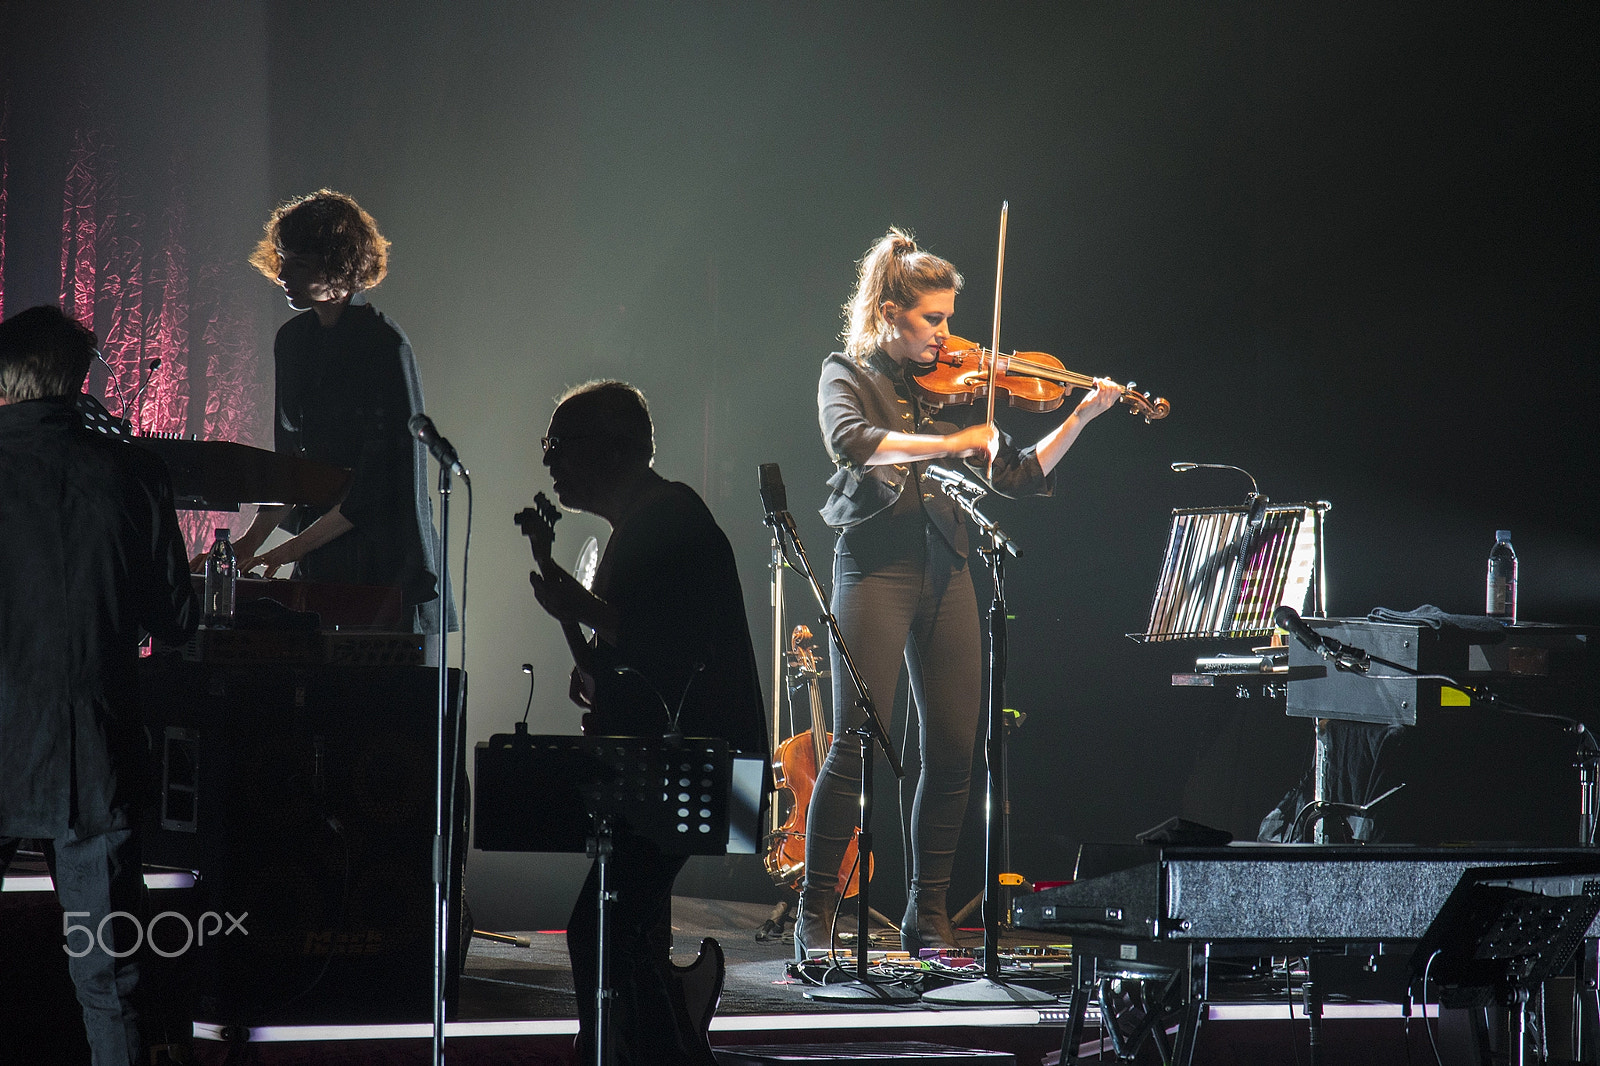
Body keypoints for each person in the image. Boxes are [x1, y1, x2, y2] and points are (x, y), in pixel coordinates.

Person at [796, 228, 1123, 957]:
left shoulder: (956, 388)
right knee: (854, 746)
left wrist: (1082, 414)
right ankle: (814, 919)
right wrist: (949, 442)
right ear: (888, 313)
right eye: (933, 320)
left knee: (953, 750)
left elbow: (1020, 475)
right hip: (874, 569)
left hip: (947, 567)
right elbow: (854, 442)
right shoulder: (846, 373)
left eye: (948, 319)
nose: (949, 337)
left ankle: (928, 916)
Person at [526, 380, 767, 1066]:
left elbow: (669, 640)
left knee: (597, 930)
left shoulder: (671, 518)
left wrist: (580, 605)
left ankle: (649, 1050)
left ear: (611, 449)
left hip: (697, 767)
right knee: (623, 932)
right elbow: (616, 677)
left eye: (559, 446)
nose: (550, 462)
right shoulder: (639, 527)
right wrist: (569, 612)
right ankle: (652, 1042)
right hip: (672, 766)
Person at [0, 305, 198, 1064]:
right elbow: (177, 619)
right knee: (111, 980)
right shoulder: (134, 467)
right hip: (95, 747)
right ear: (77, 379)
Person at [228, 189, 447, 633]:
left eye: (301, 263)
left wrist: (291, 550)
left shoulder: (385, 347)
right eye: (283, 257)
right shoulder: (291, 341)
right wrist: (242, 549)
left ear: (341, 268)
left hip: (382, 564)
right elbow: (292, 469)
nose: (284, 273)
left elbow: (381, 482)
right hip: (321, 551)